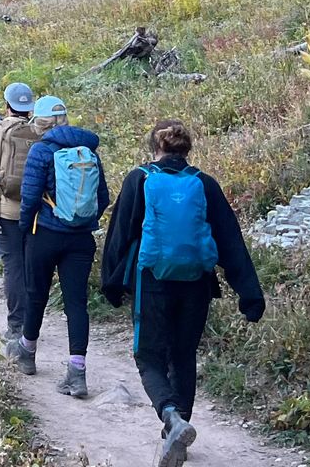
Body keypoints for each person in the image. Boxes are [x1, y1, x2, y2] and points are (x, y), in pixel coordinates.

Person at [100, 120, 265, 467]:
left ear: (154, 149)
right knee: (184, 354)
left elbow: (119, 236)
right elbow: (231, 242)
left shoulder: (140, 179)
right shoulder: (204, 183)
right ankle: (179, 431)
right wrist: (249, 295)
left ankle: (172, 417)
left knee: (148, 356)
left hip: (152, 282)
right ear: (187, 150)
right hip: (197, 282)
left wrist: (112, 285)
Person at [6, 94, 108, 401]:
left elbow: (30, 195)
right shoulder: (89, 150)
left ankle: (27, 353)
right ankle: (77, 374)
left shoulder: (42, 150)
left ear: (40, 122)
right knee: (76, 303)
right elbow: (103, 197)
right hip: (80, 238)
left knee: (36, 294)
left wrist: (26, 229)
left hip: (45, 233)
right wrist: (82, 221)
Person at [0, 81, 39, 336]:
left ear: (7, 106)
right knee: (31, 267)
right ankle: (32, 324)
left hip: (5, 211)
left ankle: (16, 325)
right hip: (36, 212)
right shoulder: (39, 132)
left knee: (12, 267)